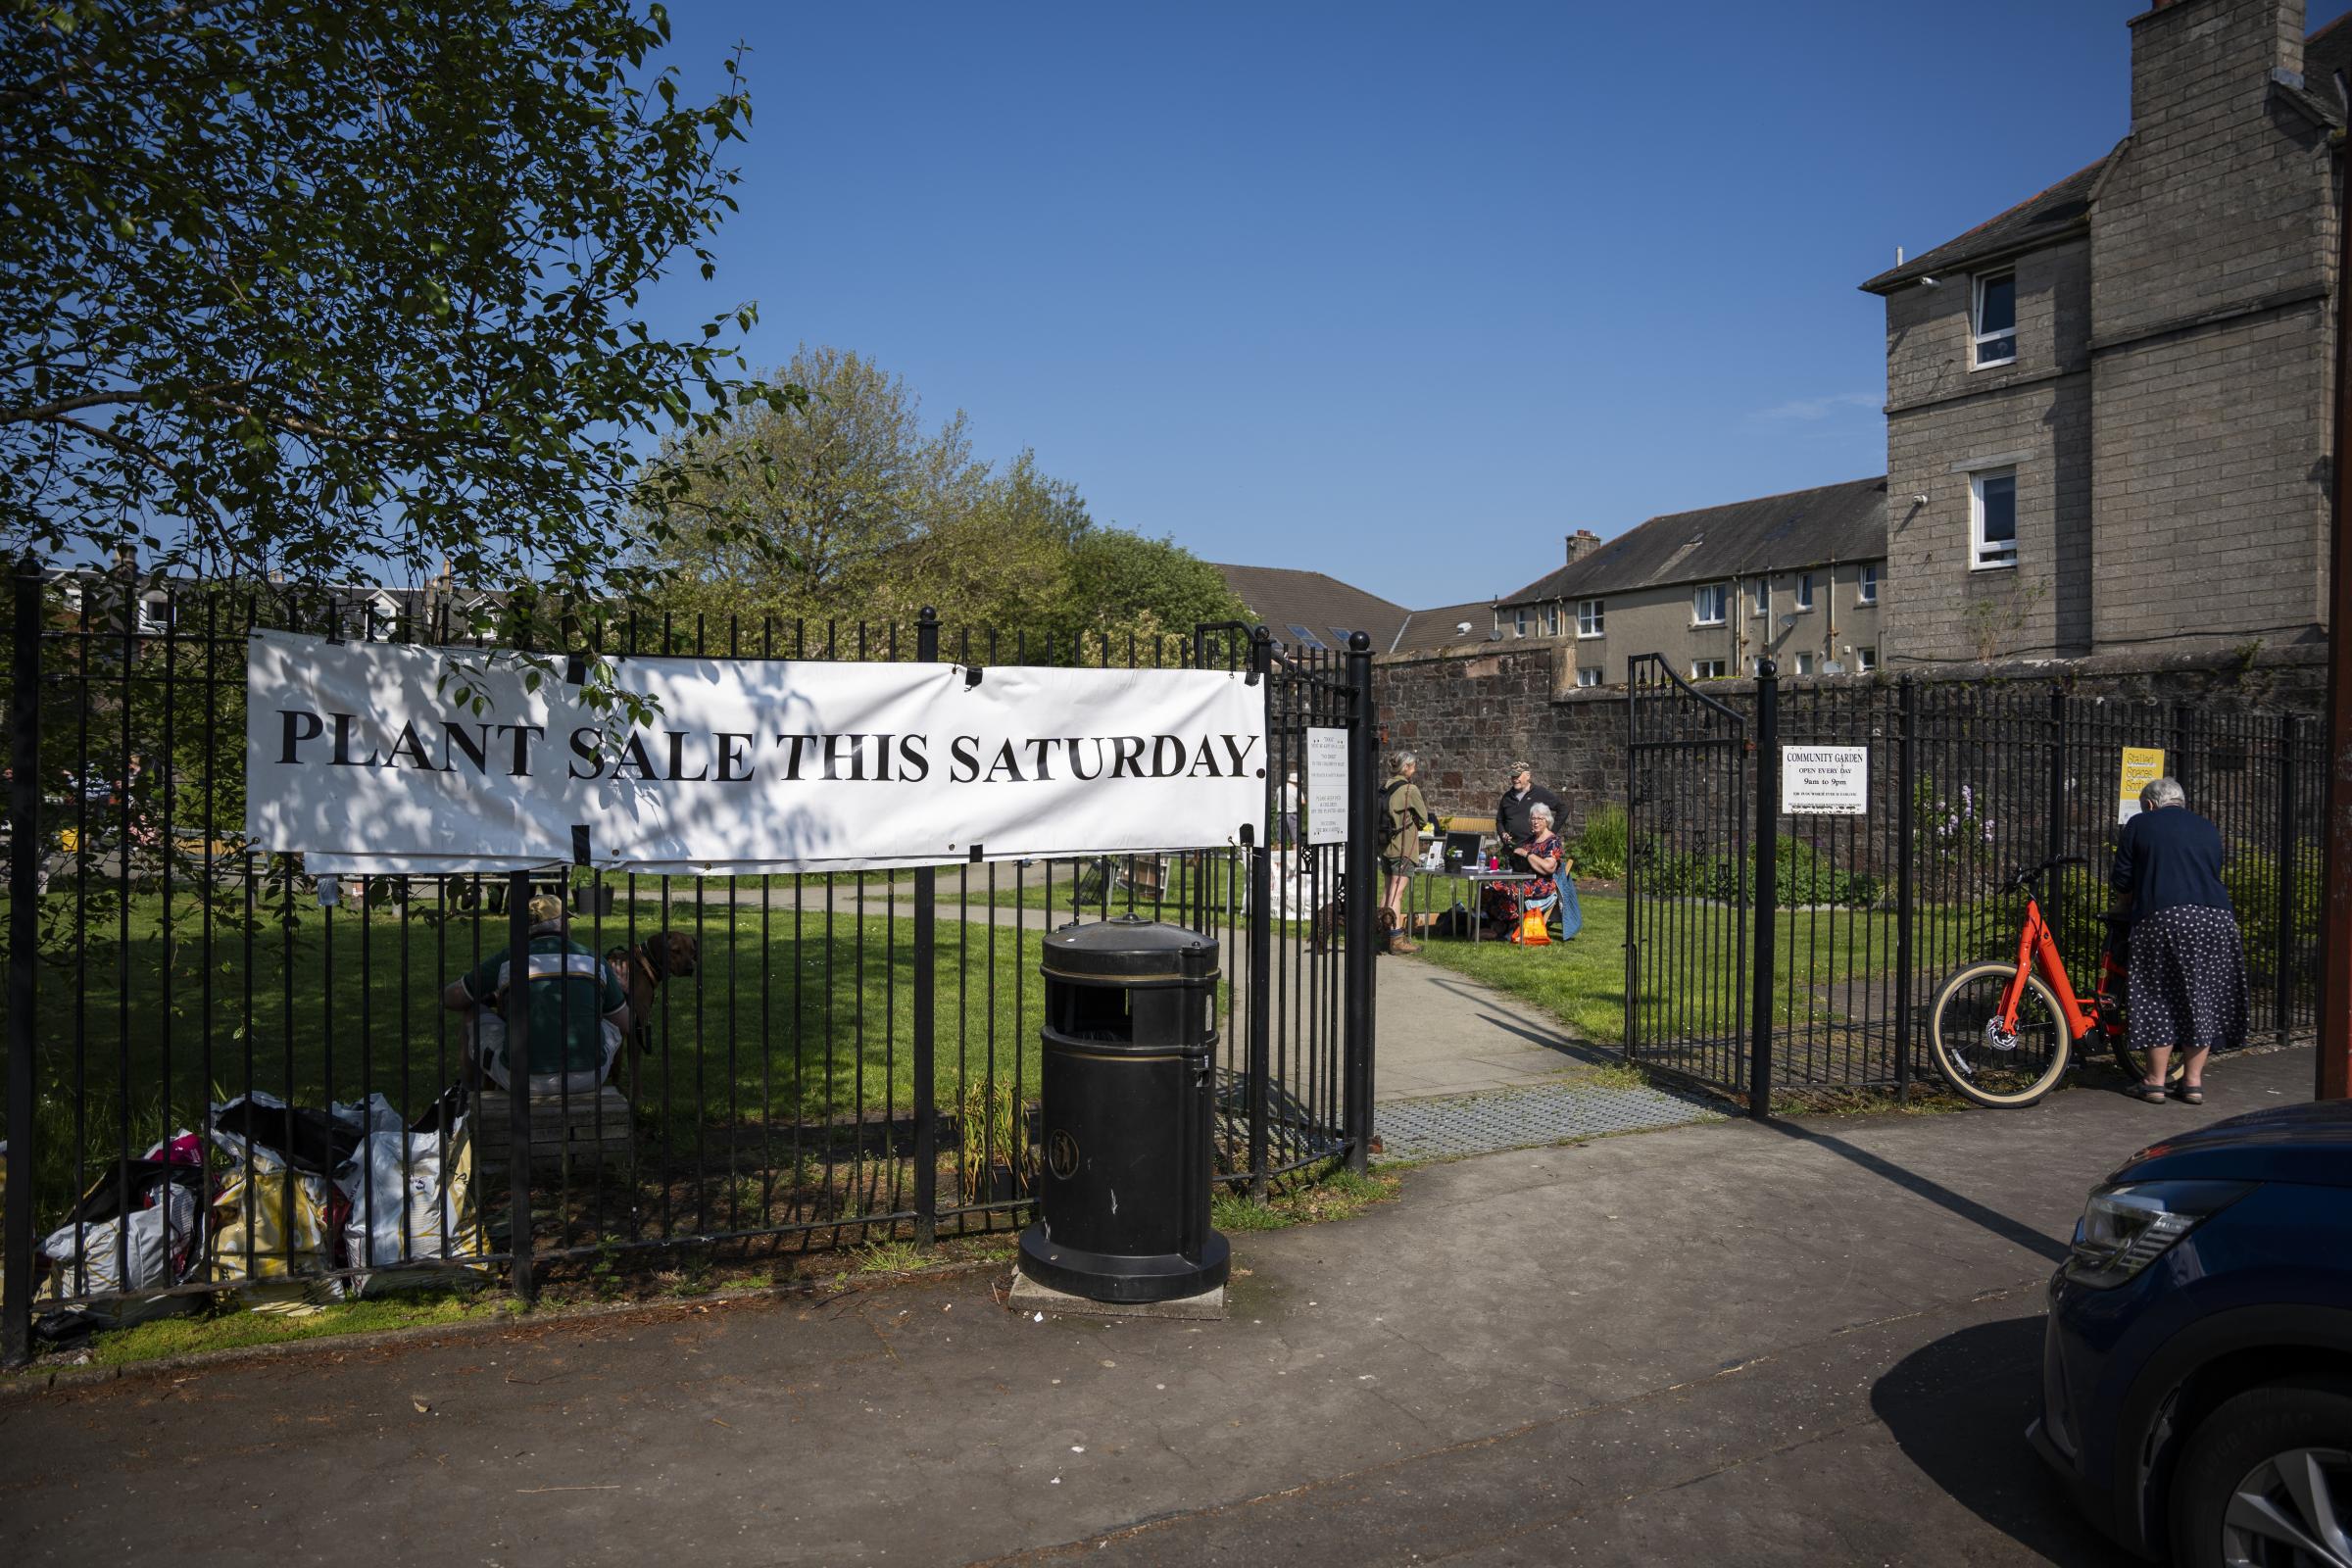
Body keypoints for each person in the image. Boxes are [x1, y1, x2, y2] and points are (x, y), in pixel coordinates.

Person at [2110, 776, 2247, 1106]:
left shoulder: (2140, 824)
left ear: (2151, 805)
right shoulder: (2207, 827)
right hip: (2217, 919)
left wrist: (2126, 905)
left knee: (2157, 994)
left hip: (2166, 916)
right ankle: (2193, 1082)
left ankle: (2155, 1082)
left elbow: (2123, 878)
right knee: (2202, 997)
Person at [443, 893, 632, 1094]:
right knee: (610, 1019)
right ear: (562, 924)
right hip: (590, 1076)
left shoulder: (509, 958)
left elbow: (451, 998)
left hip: (520, 1079)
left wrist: (489, 996)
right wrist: (622, 993)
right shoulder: (593, 960)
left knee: (473, 1012)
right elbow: (625, 1023)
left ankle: (467, 1092)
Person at [1380, 752, 1429, 955]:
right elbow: (1424, 819)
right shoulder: (1410, 789)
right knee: (1397, 893)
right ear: (1406, 767)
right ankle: (1396, 939)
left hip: (1385, 845)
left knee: (1388, 889)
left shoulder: (1385, 787)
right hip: (1404, 847)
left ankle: (1381, 932)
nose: (1415, 768)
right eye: (1413, 765)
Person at [1495, 763, 1566, 857]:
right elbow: (1499, 821)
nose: (1514, 779)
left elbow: (1563, 809)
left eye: (1518, 776)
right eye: (1513, 776)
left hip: (1533, 850)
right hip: (1512, 850)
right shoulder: (1507, 797)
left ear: (1528, 776)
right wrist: (1503, 834)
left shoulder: (1540, 793)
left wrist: (1551, 833)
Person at [1276, 770, 1300, 862]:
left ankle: (1279, 861)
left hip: (1281, 815)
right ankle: (1296, 861)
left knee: (1280, 839)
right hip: (1293, 815)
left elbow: (1276, 799)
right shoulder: (1296, 789)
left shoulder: (1280, 788)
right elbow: (1302, 802)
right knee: (1294, 839)